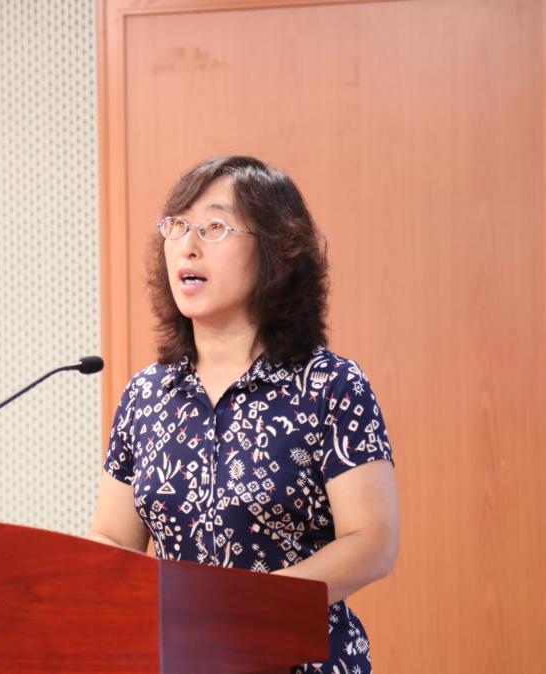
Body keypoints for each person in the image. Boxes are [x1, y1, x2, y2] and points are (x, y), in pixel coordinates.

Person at [88, 155, 399, 674]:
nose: (188, 245)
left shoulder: (330, 385)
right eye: (177, 226)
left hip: (299, 661)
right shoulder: (146, 395)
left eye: (214, 227)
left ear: (275, 251)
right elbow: (114, 538)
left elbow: (372, 542)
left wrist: (241, 610)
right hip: (179, 662)